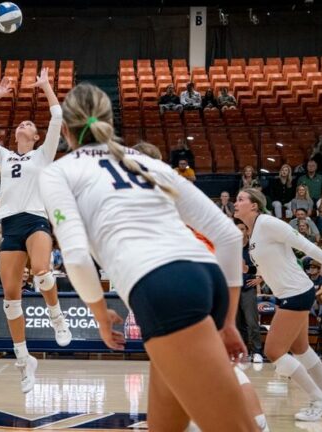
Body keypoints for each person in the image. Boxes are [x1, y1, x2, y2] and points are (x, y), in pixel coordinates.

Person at [39, 82, 260, 431]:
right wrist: (229, 321)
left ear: (65, 130)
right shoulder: (145, 161)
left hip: (162, 289)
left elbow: (78, 258)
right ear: (110, 123)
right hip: (207, 279)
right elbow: (229, 236)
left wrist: (99, 314)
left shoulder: (58, 172)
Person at [0, 68, 72, 393]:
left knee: (42, 271)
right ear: (16, 135)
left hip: (36, 219)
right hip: (10, 226)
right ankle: (24, 360)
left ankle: (57, 317)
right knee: (10, 300)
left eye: (30, 124)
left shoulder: (43, 154)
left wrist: (46, 87)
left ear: (37, 136)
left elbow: (57, 115)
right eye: (21, 123)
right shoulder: (3, 155)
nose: (24, 124)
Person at [234, 188, 322, 421]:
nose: (235, 203)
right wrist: (253, 271)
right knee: (301, 350)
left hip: (296, 293)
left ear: (254, 205)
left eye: (240, 199)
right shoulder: (254, 232)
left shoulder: (267, 223)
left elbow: (303, 244)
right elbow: (275, 262)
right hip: (289, 293)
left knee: (273, 351)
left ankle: (319, 399)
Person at [236, 221, 263, 363]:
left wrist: (261, 278)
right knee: (237, 323)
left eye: (242, 229)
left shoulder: (253, 248)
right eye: (237, 229)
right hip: (234, 289)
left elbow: (265, 264)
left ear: (247, 231)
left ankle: (257, 351)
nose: (239, 232)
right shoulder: (230, 248)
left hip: (248, 288)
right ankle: (243, 352)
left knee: (252, 322)